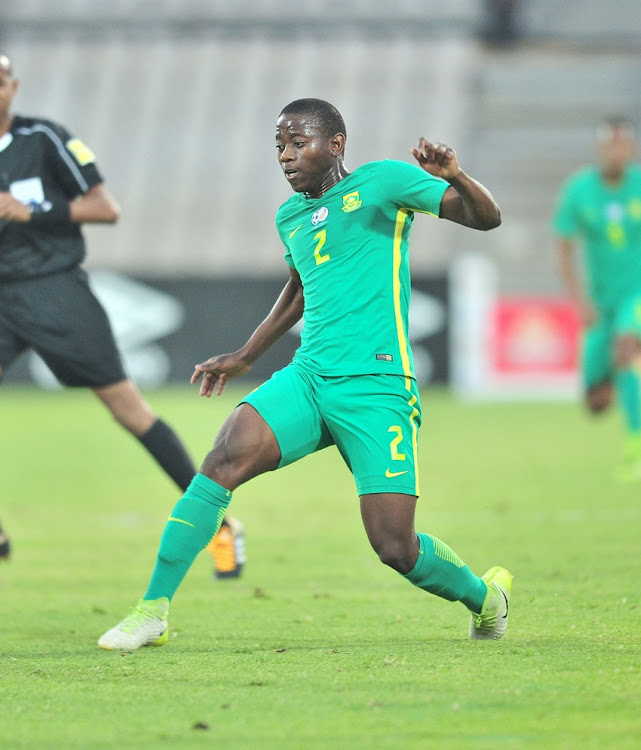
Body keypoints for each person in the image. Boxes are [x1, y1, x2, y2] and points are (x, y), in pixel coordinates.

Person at [99, 97, 511, 652]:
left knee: (395, 547)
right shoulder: (289, 216)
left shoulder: (384, 183)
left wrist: (456, 175)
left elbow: (486, 218)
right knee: (221, 459)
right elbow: (299, 288)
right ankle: (152, 609)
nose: (286, 157)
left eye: (298, 143)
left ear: (335, 144)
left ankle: (485, 599)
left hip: (376, 387)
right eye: (279, 146)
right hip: (310, 377)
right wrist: (247, 355)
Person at [0, 51, 243, 575]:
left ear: (13, 87)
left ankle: (220, 525)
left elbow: (106, 207)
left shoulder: (42, 139)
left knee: (128, 410)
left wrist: (35, 210)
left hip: (53, 290)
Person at [554, 116, 641, 482]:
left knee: (626, 349)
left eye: (623, 145)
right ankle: (612, 384)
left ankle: (635, 451)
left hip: (635, 295)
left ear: (631, 149)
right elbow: (563, 248)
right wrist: (580, 301)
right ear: (600, 149)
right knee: (596, 403)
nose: (616, 152)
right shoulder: (580, 190)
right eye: (610, 145)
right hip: (600, 301)